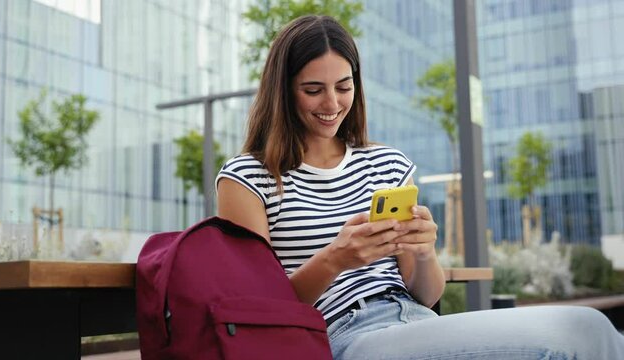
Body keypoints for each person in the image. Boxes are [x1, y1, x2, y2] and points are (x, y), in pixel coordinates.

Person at [215, 14, 624, 360]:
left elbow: (425, 295)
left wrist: (424, 251)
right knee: (576, 335)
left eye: (344, 87)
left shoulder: (386, 164)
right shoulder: (247, 179)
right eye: (313, 90)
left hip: (415, 321)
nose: (333, 104)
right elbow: (258, 314)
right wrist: (335, 260)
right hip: (341, 336)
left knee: (594, 331)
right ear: (282, 91)